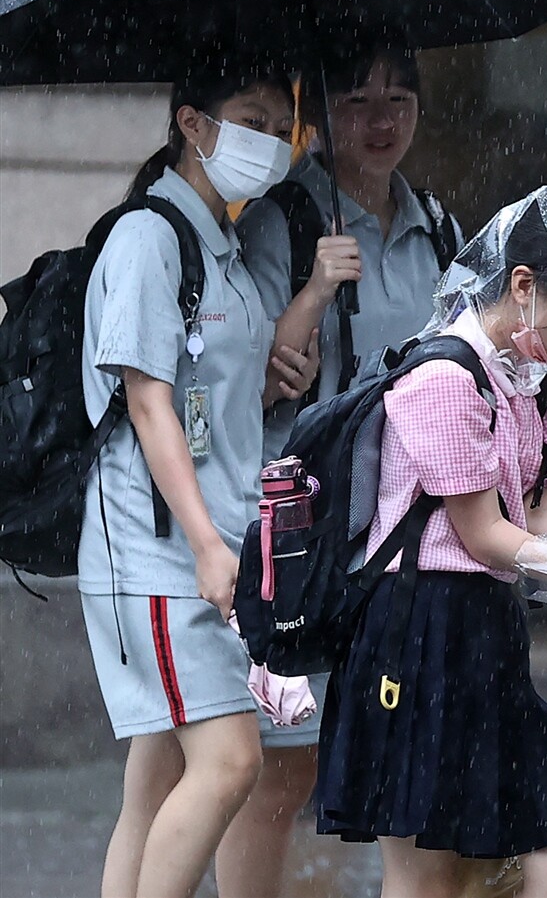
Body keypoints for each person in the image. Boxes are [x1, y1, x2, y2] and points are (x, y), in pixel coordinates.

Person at [315, 186, 547, 898]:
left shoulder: (546, 378)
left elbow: (545, 515)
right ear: (523, 284)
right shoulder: (443, 375)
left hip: (491, 630)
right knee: (427, 878)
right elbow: (482, 535)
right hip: (416, 628)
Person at [226, 42, 462, 896]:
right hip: (305, 535)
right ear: (319, 115)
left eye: (399, 98)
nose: (380, 120)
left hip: (403, 538)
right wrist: (316, 292)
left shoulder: (439, 226)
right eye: (358, 99)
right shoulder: (283, 221)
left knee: (402, 760)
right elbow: (245, 385)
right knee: (279, 771)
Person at [78, 61, 313, 898]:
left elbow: (219, 395)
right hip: (162, 554)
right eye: (248, 119)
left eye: (277, 121)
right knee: (230, 761)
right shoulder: (148, 238)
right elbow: (147, 403)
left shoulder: (231, 249)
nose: (267, 139)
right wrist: (211, 547)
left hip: (216, 549)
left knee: (153, 785)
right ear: (193, 125)